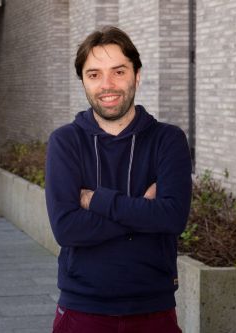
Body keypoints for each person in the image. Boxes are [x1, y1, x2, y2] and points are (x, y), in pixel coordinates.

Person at [45, 26, 192, 333]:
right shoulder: (65, 142)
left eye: (119, 71)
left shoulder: (168, 140)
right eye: (94, 74)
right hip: (83, 308)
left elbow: (172, 218)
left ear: (136, 76)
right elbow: (67, 228)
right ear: (83, 82)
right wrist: (142, 209)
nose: (107, 85)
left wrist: (96, 200)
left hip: (154, 309)